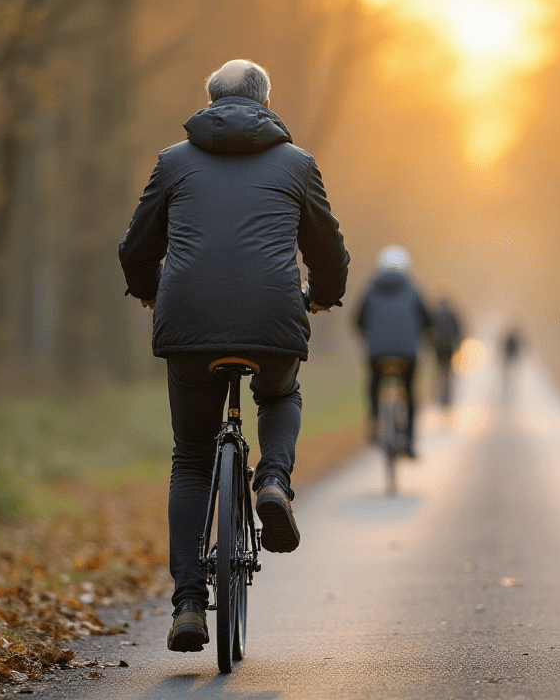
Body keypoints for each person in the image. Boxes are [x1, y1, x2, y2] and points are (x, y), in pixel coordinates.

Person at [118, 59, 349, 654]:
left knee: (192, 456)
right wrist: (323, 296)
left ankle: (189, 606)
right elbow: (328, 248)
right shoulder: (297, 164)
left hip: (189, 323)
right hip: (272, 318)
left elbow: (137, 245)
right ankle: (272, 480)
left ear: (210, 101)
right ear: (265, 103)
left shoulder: (173, 162)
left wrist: (150, 290)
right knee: (280, 392)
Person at [355, 245, 432, 456]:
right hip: (407, 354)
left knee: (374, 383)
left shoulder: (369, 290)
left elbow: (358, 320)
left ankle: (374, 422)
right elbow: (427, 320)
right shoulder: (414, 290)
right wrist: (422, 335)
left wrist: (367, 337)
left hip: (377, 354)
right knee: (409, 391)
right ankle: (409, 440)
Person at [429, 298, 464, 407]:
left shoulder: (435, 315)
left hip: (438, 347)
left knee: (438, 370)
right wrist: (457, 345)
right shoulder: (452, 315)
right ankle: (447, 396)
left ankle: (437, 395)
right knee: (448, 372)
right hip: (449, 347)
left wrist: (431, 343)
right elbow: (458, 331)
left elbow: (429, 330)